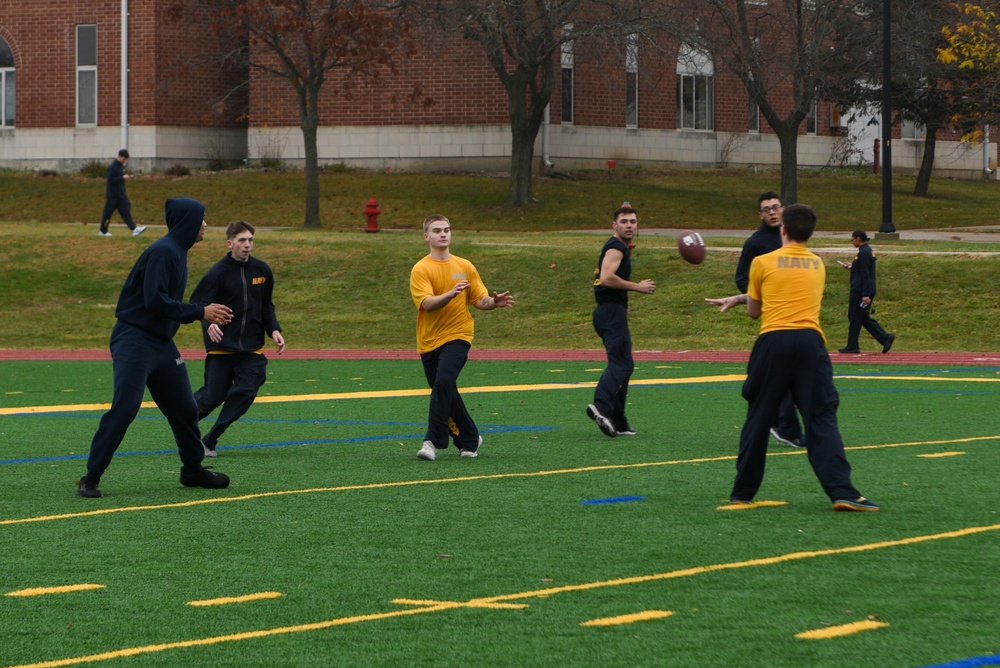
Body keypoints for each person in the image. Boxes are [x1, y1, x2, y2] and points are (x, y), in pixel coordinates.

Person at [705, 204, 878, 512]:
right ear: (810, 233)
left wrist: (740, 297)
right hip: (811, 343)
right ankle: (843, 491)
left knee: (758, 417)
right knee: (821, 417)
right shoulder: (818, 264)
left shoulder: (761, 262)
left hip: (773, 341)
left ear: (782, 228)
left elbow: (756, 310)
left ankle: (742, 493)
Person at [77, 197, 234, 498]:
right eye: (202, 218)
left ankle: (192, 472)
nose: (205, 224)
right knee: (125, 408)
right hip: (134, 339)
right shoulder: (164, 251)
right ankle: (91, 476)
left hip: (161, 344)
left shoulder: (177, 252)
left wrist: (199, 310)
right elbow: (155, 301)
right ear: (188, 222)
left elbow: (164, 304)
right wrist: (201, 312)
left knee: (185, 409)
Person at [410, 214, 514, 460]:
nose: (443, 234)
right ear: (427, 236)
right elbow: (428, 303)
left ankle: (431, 442)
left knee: (443, 382)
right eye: (437, 231)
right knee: (445, 390)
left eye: (446, 230)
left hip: (459, 335)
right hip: (428, 341)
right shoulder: (421, 269)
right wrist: (449, 294)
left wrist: (493, 303)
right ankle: (469, 438)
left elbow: (480, 299)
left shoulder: (465, 266)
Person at [189, 220, 285, 458]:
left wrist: (273, 329)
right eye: (242, 240)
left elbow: (266, 305)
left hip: (251, 348)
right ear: (229, 243)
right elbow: (197, 305)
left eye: (251, 240)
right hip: (222, 348)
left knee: (246, 388)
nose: (247, 245)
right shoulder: (217, 274)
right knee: (212, 397)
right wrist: (209, 322)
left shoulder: (262, 271)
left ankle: (210, 440)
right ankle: (183, 418)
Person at [735, 192, 805, 448]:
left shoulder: (793, 234)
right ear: (760, 215)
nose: (772, 212)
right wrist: (757, 297)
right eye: (767, 209)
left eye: (776, 207)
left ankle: (784, 423)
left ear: (784, 209)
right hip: (774, 317)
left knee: (782, 373)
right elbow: (743, 279)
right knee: (775, 374)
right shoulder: (755, 243)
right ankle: (783, 424)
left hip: (798, 315)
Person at [586, 202, 656, 438]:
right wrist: (637, 287)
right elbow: (606, 278)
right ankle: (601, 406)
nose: (629, 225)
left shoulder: (618, 247)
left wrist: (621, 303)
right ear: (614, 225)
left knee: (623, 364)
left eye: (633, 221)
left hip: (610, 311)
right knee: (622, 364)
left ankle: (618, 420)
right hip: (609, 313)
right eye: (624, 221)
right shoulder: (616, 248)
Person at [838, 229, 895, 354]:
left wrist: (866, 294)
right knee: (860, 316)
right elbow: (863, 270)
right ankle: (884, 338)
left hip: (860, 291)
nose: (852, 242)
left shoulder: (863, 253)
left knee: (855, 316)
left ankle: (853, 345)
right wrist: (852, 267)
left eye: (852, 239)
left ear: (858, 238)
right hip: (863, 289)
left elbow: (866, 274)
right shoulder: (866, 251)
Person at [99, 149, 147, 237]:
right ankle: (103, 230)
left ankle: (134, 229)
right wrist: (122, 178)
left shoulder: (121, 167)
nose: (124, 161)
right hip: (112, 195)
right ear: (120, 156)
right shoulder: (113, 167)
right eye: (124, 159)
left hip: (120, 194)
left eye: (126, 159)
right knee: (108, 213)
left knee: (126, 210)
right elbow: (111, 180)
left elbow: (121, 180)